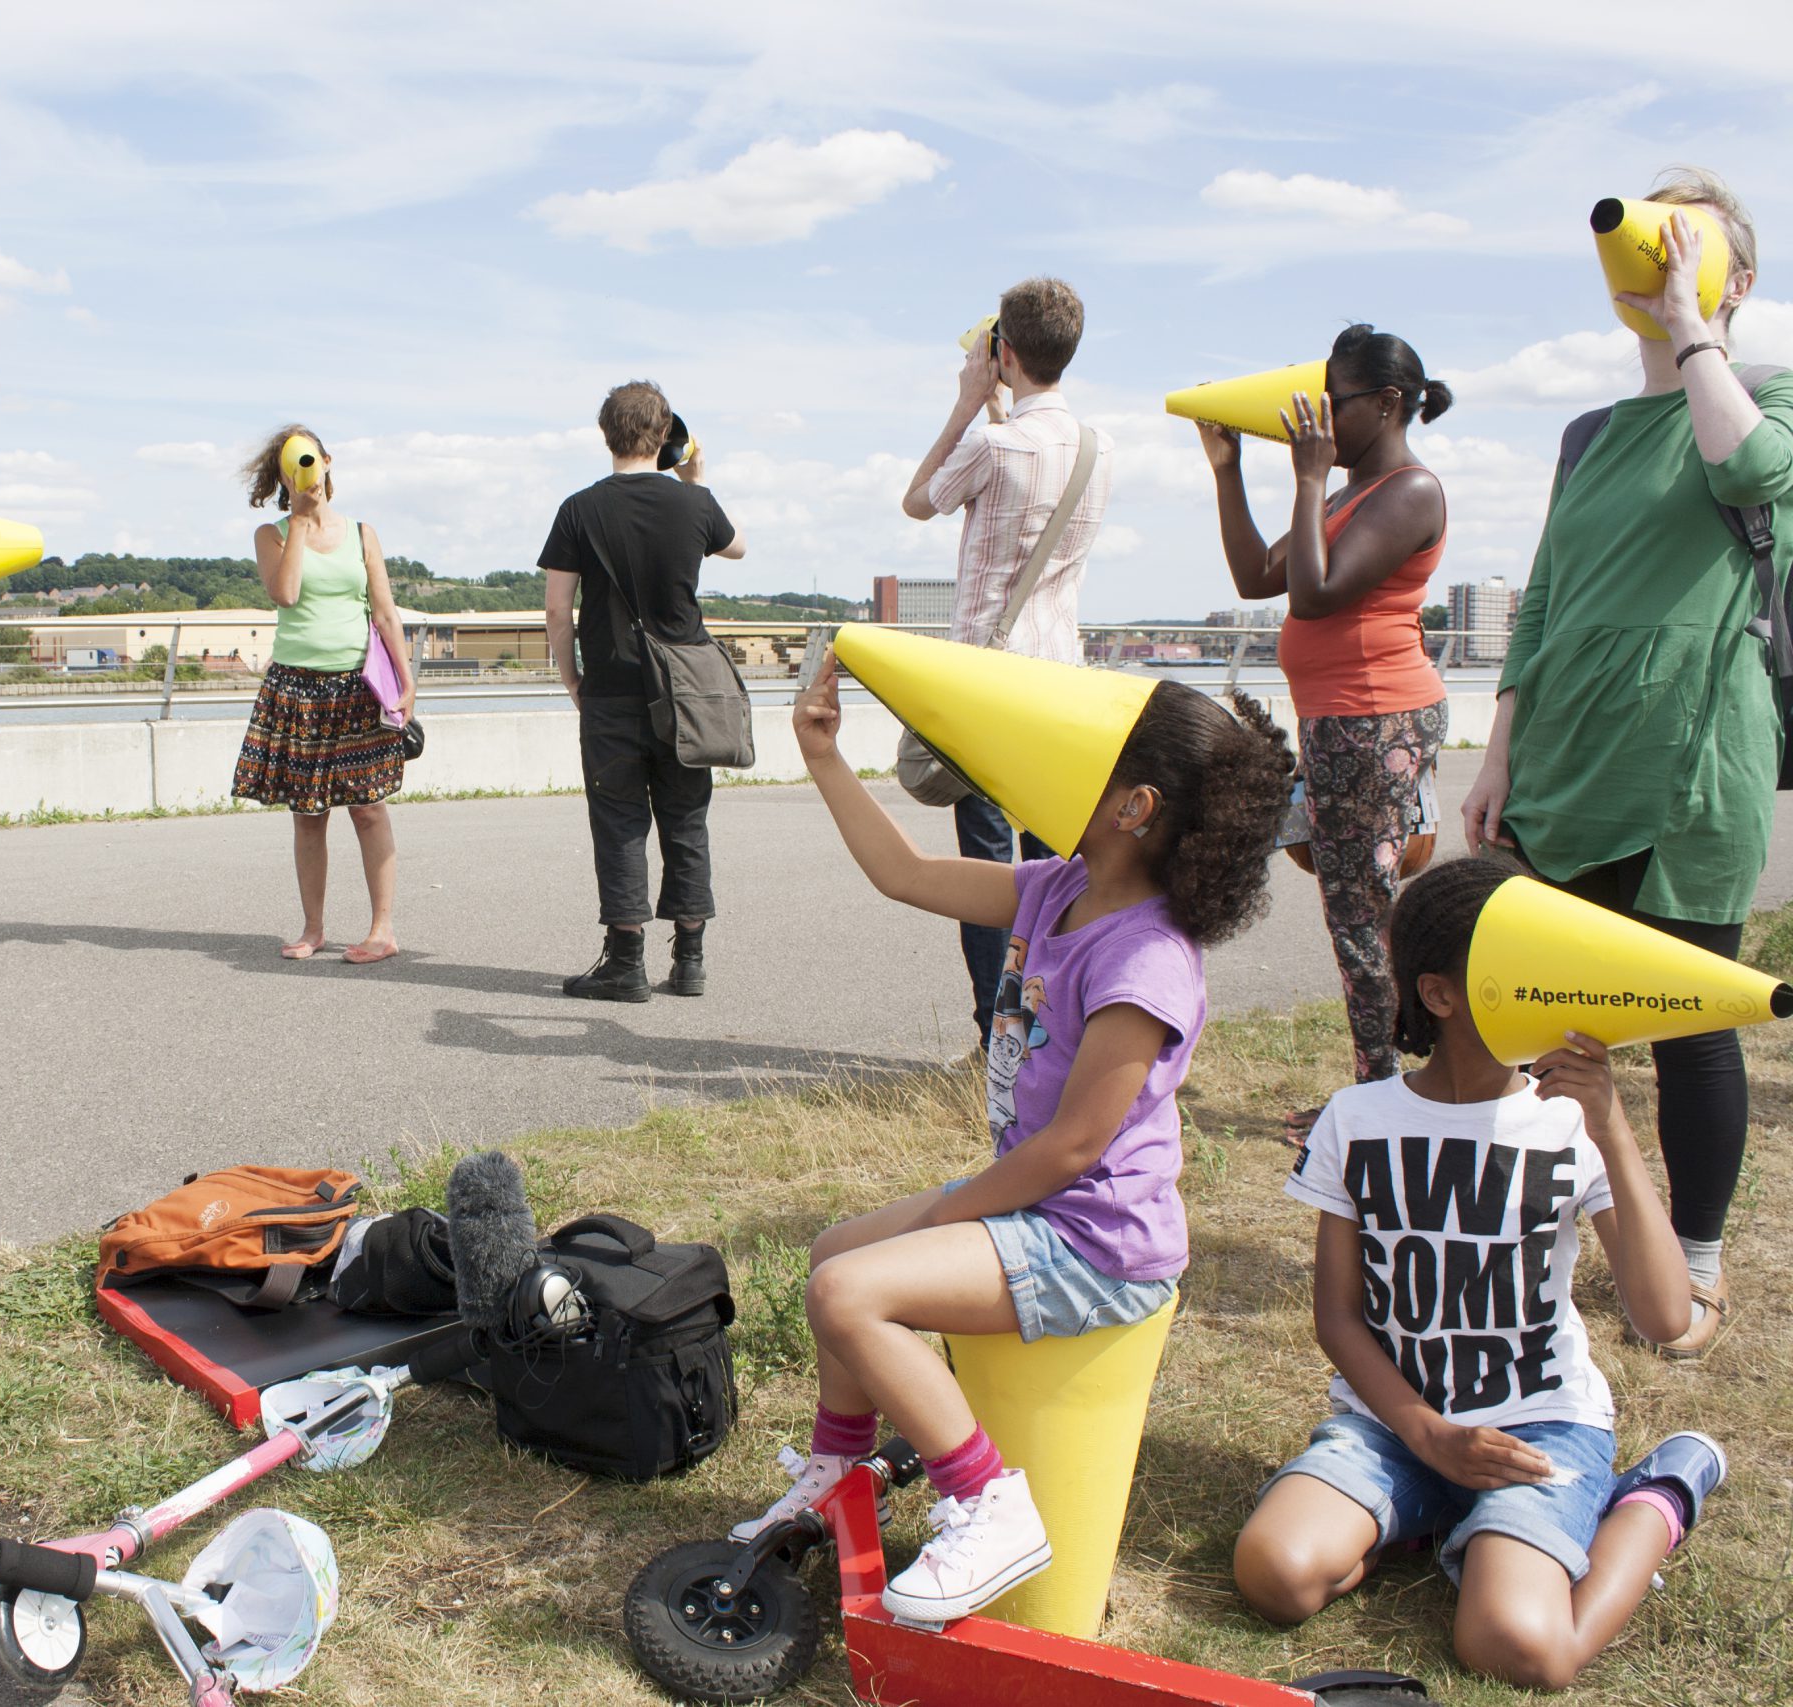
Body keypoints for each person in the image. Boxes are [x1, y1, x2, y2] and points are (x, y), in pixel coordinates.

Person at [759, 662, 1288, 1625]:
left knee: (850, 1288)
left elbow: (1074, 1149)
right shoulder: (1059, 888)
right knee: (835, 1250)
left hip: (1096, 1241)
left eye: (1080, 761)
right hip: (1041, 1204)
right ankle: (842, 1478)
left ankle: (990, 1504)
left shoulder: (1147, 959)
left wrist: (951, 1208)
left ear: (1135, 805)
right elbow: (907, 875)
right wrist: (823, 754)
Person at [1234, 858, 1720, 1692]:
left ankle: (1658, 1494)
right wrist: (1426, 1433)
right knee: (1275, 1573)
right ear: (1440, 994)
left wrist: (1612, 1127)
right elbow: (1339, 1318)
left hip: (1541, 1425)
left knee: (1517, 1646)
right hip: (1397, 1428)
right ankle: (1431, 1513)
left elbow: (1667, 1315)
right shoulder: (1358, 1119)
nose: (1557, 994)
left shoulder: (1569, 1122)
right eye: (1527, 974)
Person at [1462, 166, 1793, 1358]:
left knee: (1687, 1018)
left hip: (1691, 766)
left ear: (1737, 277)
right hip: (1564, 759)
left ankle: (1691, 1263)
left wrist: (1693, 329)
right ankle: (1553, 1233)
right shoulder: (1586, 433)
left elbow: (1753, 478)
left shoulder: (1767, 395)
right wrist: (1497, 748)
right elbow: (1546, 595)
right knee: (1549, 1013)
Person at [1201, 325, 1453, 1087]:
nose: (1317, 420)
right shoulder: (1352, 494)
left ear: (1386, 404)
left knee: (1360, 920)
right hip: (1345, 723)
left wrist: (1307, 479)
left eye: (1330, 405)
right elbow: (1257, 577)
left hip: (1373, 722)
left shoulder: (1410, 491)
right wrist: (1229, 471)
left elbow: (1313, 595)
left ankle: (1382, 1101)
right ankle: (1394, 1089)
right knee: (1356, 913)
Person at [899, 280, 1115, 1045]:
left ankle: (999, 1036)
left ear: (1005, 353)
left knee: (990, 871)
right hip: (1061, 678)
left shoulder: (993, 443)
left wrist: (967, 402)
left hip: (988, 686)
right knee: (1056, 864)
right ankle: (1061, 1023)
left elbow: (918, 500)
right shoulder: (1097, 446)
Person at [541, 380, 746, 1001]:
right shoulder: (695, 505)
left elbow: (557, 607)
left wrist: (571, 676)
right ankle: (689, 961)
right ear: (666, 437)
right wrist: (694, 478)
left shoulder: (579, 509)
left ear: (606, 434)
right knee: (686, 818)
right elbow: (737, 548)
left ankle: (625, 964)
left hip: (610, 688)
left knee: (619, 822)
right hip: (685, 691)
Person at [234, 425, 415, 964]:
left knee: (368, 809)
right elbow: (285, 593)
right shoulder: (272, 535)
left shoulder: (362, 533)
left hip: (356, 687)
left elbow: (384, 612)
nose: (309, 472)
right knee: (307, 813)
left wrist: (407, 682)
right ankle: (313, 928)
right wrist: (298, 518)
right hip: (296, 689)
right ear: (284, 475)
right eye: (296, 465)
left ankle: (382, 930)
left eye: (312, 461)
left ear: (329, 461)